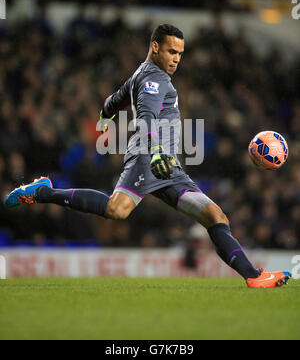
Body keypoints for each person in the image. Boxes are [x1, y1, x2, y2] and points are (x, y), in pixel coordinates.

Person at [4, 24, 291, 288]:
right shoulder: (155, 79)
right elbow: (147, 117)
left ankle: (254, 277)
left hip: (168, 166)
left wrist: (106, 115)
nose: (177, 58)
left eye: (180, 52)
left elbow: (115, 99)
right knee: (118, 210)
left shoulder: (141, 74)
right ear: (155, 47)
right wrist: (155, 153)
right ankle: (43, 192)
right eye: (171, 51)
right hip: (151, 159)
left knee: (215, 216)